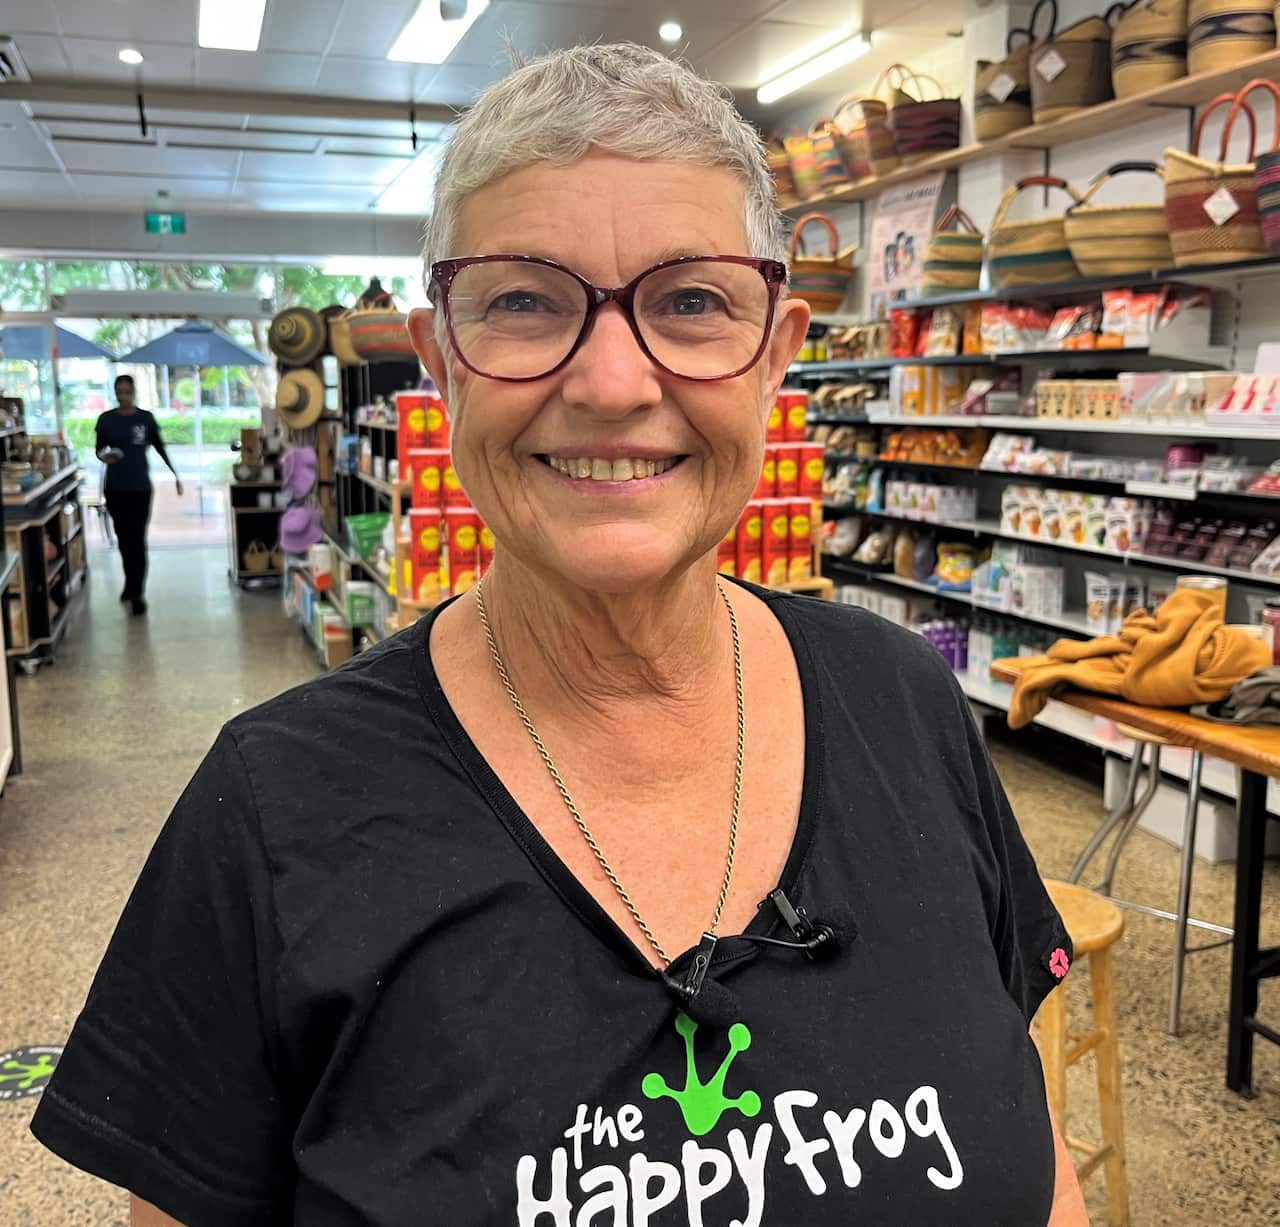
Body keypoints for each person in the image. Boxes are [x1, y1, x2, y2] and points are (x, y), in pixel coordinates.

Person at [32, 46, 1087, 1226]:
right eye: (524, 302)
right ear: (439, 364)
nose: (611, 382)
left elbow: (1031, 1152)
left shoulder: (900, 701)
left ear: (777, 354)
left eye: (691, 302)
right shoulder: (275, 809)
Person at [94, 374, 183, 615]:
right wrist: (106, 455)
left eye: (127, 391)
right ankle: (129, 583)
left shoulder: (145, 419)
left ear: (133, 393)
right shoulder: (106, 420)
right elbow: (99, 450)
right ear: (115, 393)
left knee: (137, 539)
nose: (123, 396)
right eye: (119, 391)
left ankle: (137, 593)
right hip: (115, 488)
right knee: (124, 538)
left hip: (140, 488)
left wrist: (175, 474)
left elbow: (159, 446)